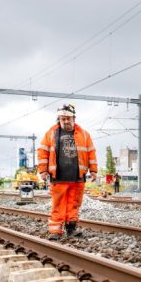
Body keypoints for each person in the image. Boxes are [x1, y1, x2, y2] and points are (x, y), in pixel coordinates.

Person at [37, 103, 97, 241]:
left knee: (74, 203)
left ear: (73, 118)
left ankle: (71, 229)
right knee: (58, 204)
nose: (65, 121)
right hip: (58, 176)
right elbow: (42, 152)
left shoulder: (84, 134)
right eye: (62, 118)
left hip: (77, 177)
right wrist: (43, 171)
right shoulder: (51, 133)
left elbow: (91, 152)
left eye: (68, 118)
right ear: (59, 119)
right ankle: (55, 231)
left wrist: (93, 170)